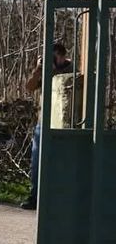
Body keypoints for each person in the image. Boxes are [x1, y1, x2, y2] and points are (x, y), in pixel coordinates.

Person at [20, 42, 73, 210]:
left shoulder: (72, 70)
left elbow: (66, 85)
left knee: (61, 163)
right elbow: (29, 87)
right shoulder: (44, 70)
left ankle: (59, 199)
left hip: (64, 126)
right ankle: (35, 197)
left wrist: (54, 69)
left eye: (55, 56)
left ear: (63, 55)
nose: (52, 60)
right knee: (37, 162)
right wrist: (39, 68)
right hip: (43, 123)